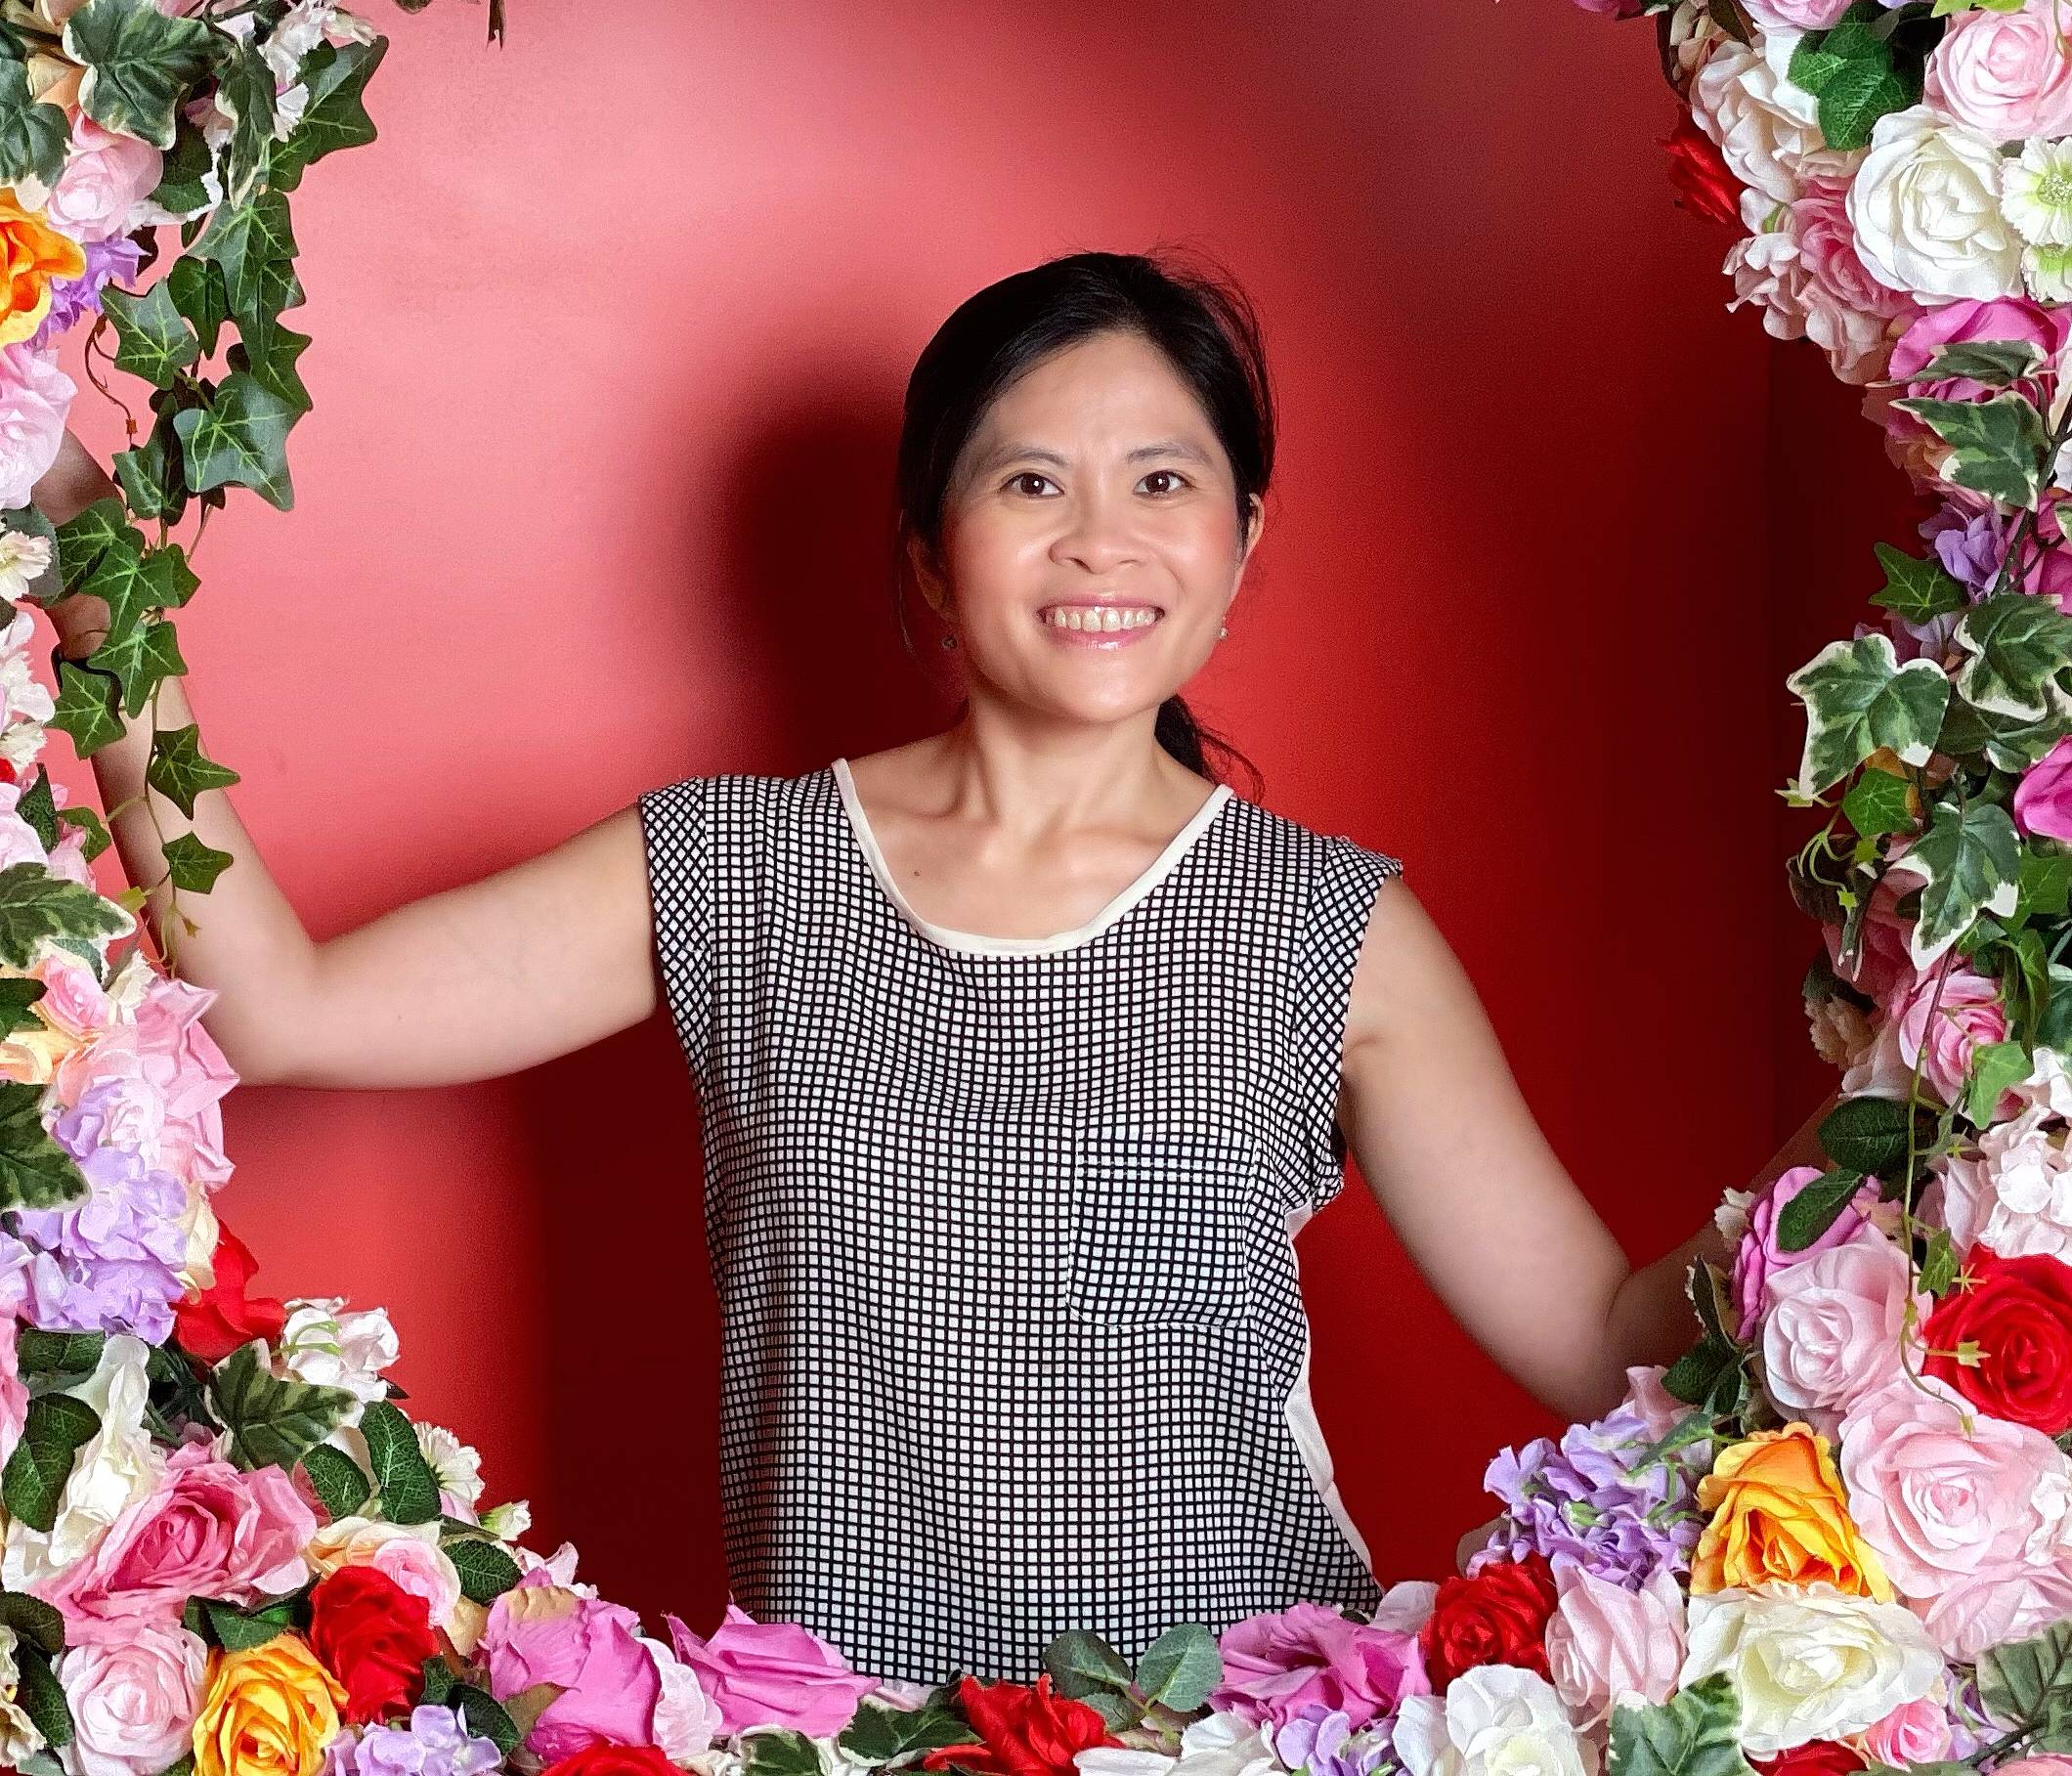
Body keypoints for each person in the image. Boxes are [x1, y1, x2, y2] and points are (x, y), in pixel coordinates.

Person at [28, 246, 1834, 1688]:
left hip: (1236, 1738)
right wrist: (91, 556)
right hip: (848, 1738)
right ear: (929, 548)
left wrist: (1913, 1107)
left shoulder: (1330, 930)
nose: (1101, 538)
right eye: (1030, 480)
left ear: (1243, 543)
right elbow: (276, 1004)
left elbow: (1606, 1343)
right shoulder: (733, 869)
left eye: (1164, 481)